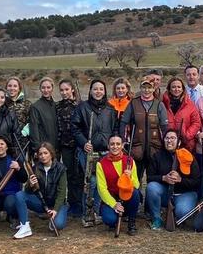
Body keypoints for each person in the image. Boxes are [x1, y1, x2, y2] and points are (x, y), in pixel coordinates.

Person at [73, 79, 115, 224]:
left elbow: (114, 129)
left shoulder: (110, 109)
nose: (98, 92)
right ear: (90, 91)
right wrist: (84, 142)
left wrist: (112, 144)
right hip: (89, 153)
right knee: (90, 181)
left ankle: (97, 212)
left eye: (101, 89)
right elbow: (75, 128)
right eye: (95, 89)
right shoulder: (82, 107)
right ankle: (87, 213)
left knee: (101, 183)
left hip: (105, 152)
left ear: (105, 91)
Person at [145, 131, 201, 230]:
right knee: (151, 187)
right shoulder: (157, 156)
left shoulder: (188, 157)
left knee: (182, 212)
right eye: (167, 138)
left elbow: (196, 181)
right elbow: (149, 177)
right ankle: (156, 218)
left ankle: (180, 211)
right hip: (166, 192)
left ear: (179, 142)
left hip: (185, 193)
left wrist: (180, 180)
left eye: (173, 138)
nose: (169, 140)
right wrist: (164, 178)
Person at [96, 135, 140, 235]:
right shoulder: (100, 164)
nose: (115, 146)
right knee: (109, 219)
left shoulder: (130, 161)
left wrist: (130, 178)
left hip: (127, 197)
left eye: (118, 144)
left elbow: (136, 185)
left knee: (136, 193)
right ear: (108, 146)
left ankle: (131, 222)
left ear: (122, 146)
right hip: (112, 198)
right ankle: (114, 219)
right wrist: (114, 204)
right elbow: (102, 189)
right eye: (112, 144)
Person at [23, 143, 70, 233]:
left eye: (45, 153)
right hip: (42, 203)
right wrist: (30, 184)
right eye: (40, 154)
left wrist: (55, 210)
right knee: (20, 195)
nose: (43, 156)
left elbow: (62, 192)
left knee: (58, 224)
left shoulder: (61, 169)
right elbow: (27, 191)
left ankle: (55, 214)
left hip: (56, 203)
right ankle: (24, 225)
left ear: (51, 154)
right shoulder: (35, 168)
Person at [55, 80, 82, 218]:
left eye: (67, 89)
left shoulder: (80, 105)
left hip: (80, 145)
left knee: (81, 175)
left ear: (72, 90)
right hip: (65, 146)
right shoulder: (57, 106)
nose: (64, 92)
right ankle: (73, 204)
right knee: (70, 175)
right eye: (62, 90)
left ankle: (84, 203)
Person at [163, 77, 203, 154]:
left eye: (179, 87)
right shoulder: (163, 104)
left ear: (182, 89)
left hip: (186, 144)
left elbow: (196, 122)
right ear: (169, 89)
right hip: (168, 143)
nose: (176, 89)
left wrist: (187, 135)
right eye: (173, 87)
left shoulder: (190, 104)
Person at [29, 77, 58, 148]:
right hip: (43, 148)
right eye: (43, 88)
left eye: (48, 87)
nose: (46, 90)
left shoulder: (56, 106)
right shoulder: (35, 107)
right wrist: (36, 148)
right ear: (40, 89)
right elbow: (34, 130)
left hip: (56, 148)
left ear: (52, 88)